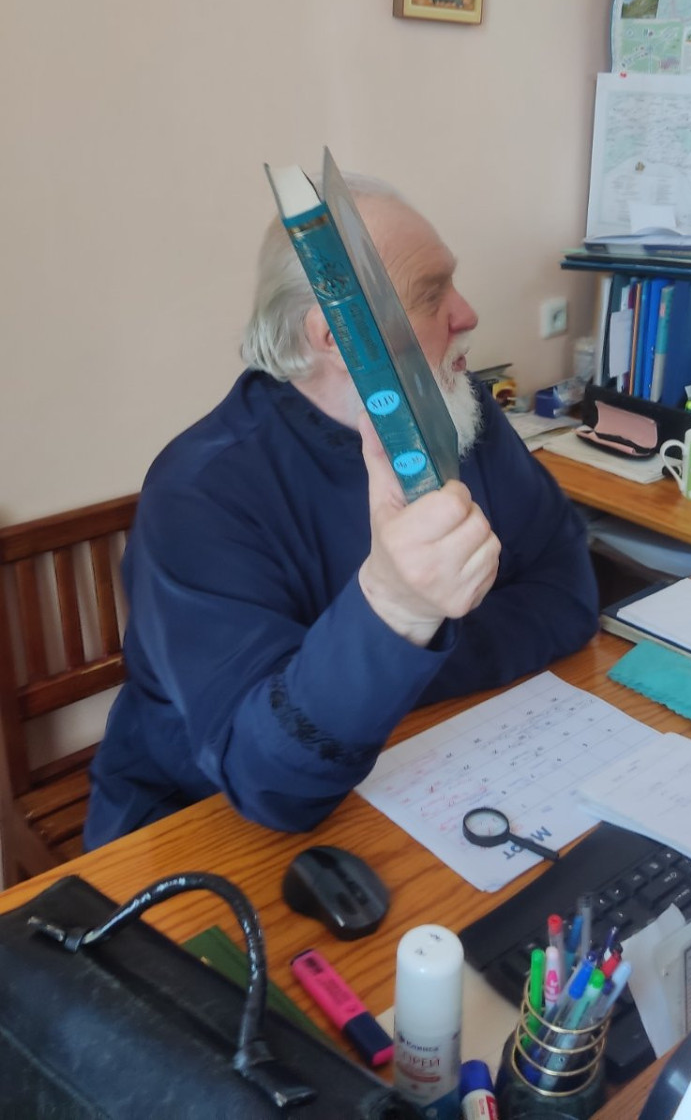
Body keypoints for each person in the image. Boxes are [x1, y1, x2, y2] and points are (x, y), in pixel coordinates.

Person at [85, 173, 599, 848]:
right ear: (333, 335)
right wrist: (396, 609)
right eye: (431, 294)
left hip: (427, 765)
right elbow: (268, 778)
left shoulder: (459, 409)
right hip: (196, 826)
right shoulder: (200, 494)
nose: (467, 312)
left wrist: (387, 674)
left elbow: (570, 593)